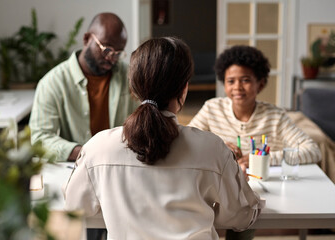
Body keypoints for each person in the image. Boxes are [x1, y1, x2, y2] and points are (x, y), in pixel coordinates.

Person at [64, 37, 265, 239]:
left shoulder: (99, 147)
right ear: (184, 89)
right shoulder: (212, 148)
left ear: (134, 89)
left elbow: (75, 205)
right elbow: (242, 216)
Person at [189, 45, 321, 239]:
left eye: (246, 80)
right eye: (231, 81)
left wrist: (259, 159)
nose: (237, 87)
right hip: (219, 189)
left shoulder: (275, 116)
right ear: (223, 84)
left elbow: (312, 151)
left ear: (261, 83)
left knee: (244, 217)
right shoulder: (212, 108)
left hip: (260, 190)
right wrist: (218, 147)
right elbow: (188, 141)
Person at [29, 12, 138, 162]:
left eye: (117, 54)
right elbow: (39, 139)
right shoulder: (52, 83)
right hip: (76, 167)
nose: (110, 58)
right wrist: (85, 153)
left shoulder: (130, 76)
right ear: (87, 39)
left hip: (122, 164)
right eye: (106, 49)